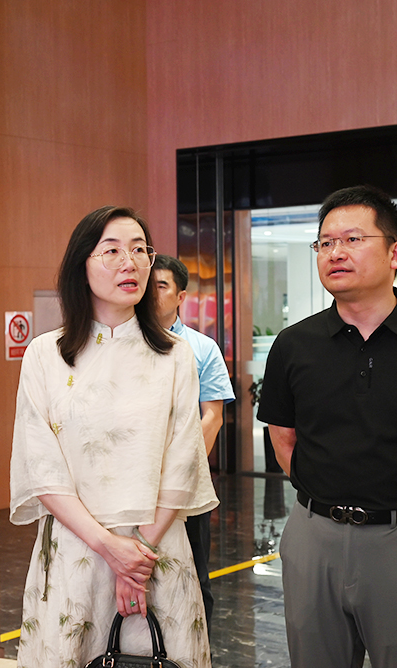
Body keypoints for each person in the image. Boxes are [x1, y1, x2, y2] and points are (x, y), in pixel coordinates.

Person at [257, 185, 397, 668]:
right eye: (325, 243)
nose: (335, 253)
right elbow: (284, 440)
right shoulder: (293, 345)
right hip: (313, 535)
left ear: (396, 253)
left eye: (352, 239)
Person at [9, 205, 218, 667]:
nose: (131, 262)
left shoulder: (177, 356)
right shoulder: (45, 354)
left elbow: (183, 460)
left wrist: (136, 559)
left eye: (140, 250)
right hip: (77, 550)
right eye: (112, 251)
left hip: (156, 554)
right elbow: (40, 464)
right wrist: (110, 548)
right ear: (81, 265)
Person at [152, 253, 235, 632]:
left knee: (193, 575)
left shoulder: (201, 348)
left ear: (181, 296)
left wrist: (180, 467)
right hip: (134, 482)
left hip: (187, 486)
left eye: (161, 286)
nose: (152, 294)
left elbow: (212, 417)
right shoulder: (123, 343)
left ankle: (197, 651)